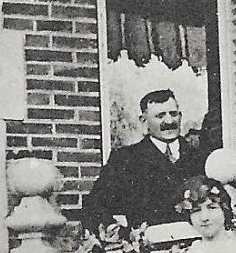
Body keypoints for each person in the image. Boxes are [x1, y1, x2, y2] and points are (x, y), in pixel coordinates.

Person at [83, 89, 206, 229]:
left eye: (173, 114)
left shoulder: (199, 157)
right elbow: (94, 206)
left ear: (180, 116)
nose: (169, 121)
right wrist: (114, 229)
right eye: (160, 116)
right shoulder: (125, 160)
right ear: (144, 121)